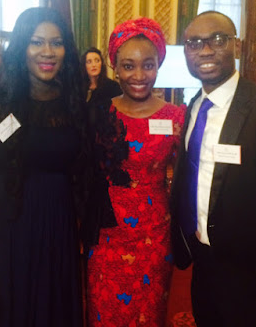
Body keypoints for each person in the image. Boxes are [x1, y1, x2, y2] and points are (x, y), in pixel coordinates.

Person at [170, 11, 256, 326]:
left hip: (255, 277)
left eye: (218, 40)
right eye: (194, 43)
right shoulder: (193, 108)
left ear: (237, 46)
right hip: (204, 265)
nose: (206, 50)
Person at [0, 7, 86, 327]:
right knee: (9, 306)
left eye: (56, 43)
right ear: (22, 47)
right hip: (7, 222)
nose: (47, 51)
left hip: (58, 224)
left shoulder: (74, 100)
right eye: (37, 42)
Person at [84, 17, 186, 326]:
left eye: (148, 65)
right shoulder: (99, 112)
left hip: (153, 236)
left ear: (159, 66)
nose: (139, 75)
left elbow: (183, 180)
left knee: (148, 313)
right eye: (128, 66)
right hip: (106, 233)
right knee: (104, 312)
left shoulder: (176, 117)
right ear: (114, 66)